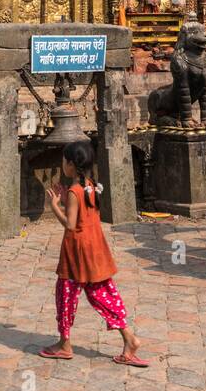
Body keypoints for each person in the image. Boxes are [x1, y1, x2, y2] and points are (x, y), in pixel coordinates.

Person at [39, 139, 148, 367]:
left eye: (63, 161)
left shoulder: (74, 191)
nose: (62, 164)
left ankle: (64, 343)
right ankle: (129, 337)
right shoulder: (90, 185)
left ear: (70, 164)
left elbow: (70, 225)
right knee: (104, 295)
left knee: (66, 295)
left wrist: (54, 206)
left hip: (76, 253)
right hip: (95, 250)